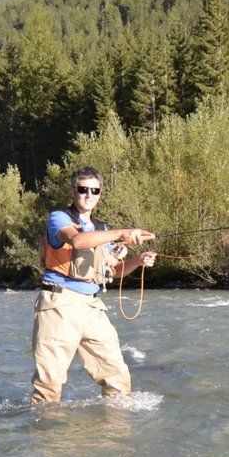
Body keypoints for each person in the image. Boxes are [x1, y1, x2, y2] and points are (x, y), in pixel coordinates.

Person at [31, 167, 157, 403]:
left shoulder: (103, 230)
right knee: (49, 386)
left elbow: (114, 271)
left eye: (94, 190)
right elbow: (78, 240)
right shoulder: (59, 218)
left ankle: (110, 435)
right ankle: (46, 435)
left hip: (92, 307)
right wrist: (121, 234)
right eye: (83, 189)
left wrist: (137, 261)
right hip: (59, 305)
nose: (89, 195)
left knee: (117, 378)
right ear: (73, 191)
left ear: (100, 194)